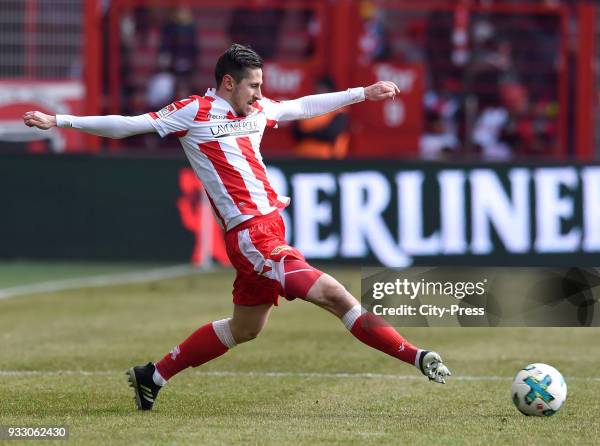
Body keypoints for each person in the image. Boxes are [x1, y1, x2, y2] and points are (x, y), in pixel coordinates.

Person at [23, 44, 450, 411]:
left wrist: (363, 93)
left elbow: (301, 106)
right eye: (254, 86)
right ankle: (417, 356)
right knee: (336, 295)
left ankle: (152, 376)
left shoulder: (258, 110)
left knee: (246, 328)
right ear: (229, 83)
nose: (261, 93)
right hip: (252, 236)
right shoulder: (194, 111)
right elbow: (132, 124)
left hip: (270, 230)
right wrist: (61, 121)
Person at [292, 75, 350, 159]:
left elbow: (330, 134)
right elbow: (296, 133)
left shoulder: (339, 110)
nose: (319, 92)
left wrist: (307, 134)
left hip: (328, 159)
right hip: (302, 157)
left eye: (323, 89)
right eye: (317, 89)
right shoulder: (306, 107)